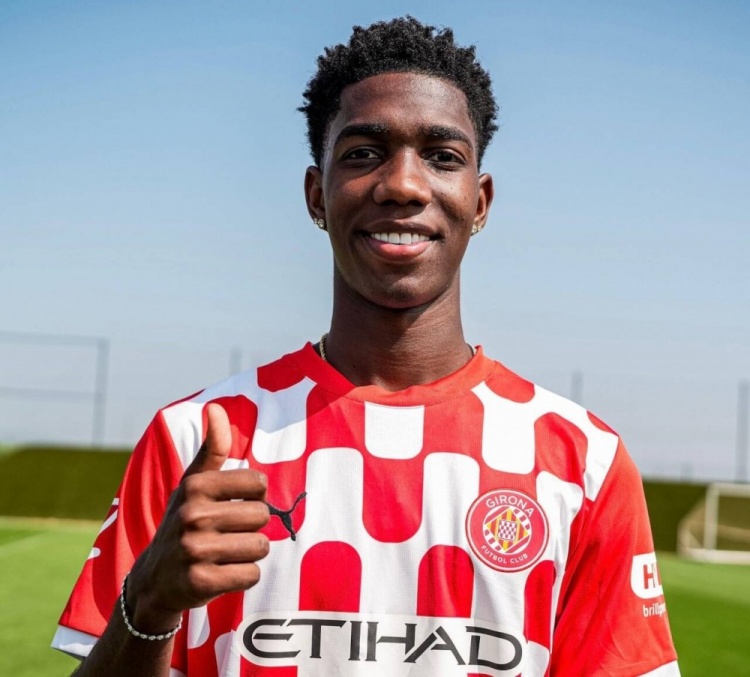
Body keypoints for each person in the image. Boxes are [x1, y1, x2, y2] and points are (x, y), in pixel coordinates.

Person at [53, 17, 679, 676]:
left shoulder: (582, 460)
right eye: (362, 154)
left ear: (480, 201)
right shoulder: (195, 438)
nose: (403, 185)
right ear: (316, 195)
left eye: (442, 156)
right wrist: (149, 603)